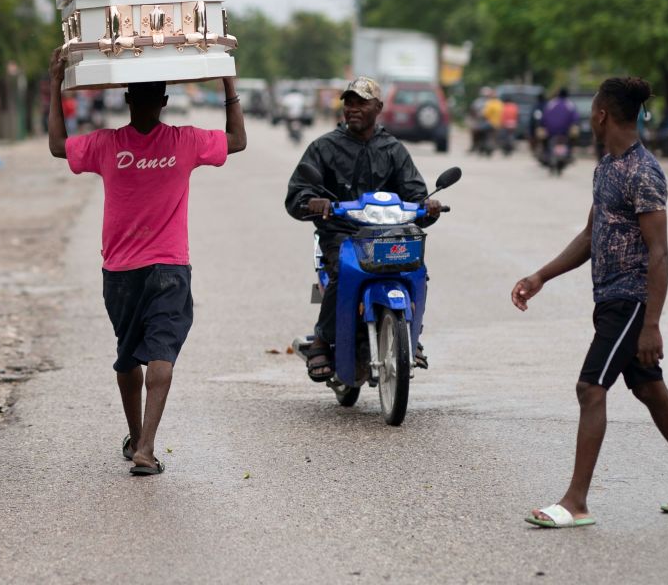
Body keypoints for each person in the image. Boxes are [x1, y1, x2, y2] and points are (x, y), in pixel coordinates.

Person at [511, 77, 668, 528]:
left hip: (631, 300)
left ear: (603, 115)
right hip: (609, 298)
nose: (590, 117)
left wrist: (652, 323)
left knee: (590, 388)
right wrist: (540, 276)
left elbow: (660, 252)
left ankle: (576, 501)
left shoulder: (643, 171)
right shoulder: (607, 167)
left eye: (592, 110)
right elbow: (592, 235)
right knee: (647, 387)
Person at [46, 49, 246, 476]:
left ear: (127, 99)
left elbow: (57, 147)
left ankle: (137, 437)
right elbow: (238, 141)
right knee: (162, 352)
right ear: (164, 102)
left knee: (128, 355)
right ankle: (144, 448)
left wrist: (54, 84)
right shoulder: (186, 141)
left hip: (119, 272)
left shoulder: (105, 144)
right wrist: (229, 83)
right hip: (170, 269)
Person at [285, 76, 443, 381]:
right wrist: (312, 201)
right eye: (349, 103)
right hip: (341, 233)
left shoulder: (393, 149)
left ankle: (412, 335)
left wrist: (427, 206)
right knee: (341, 272)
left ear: (379, 107)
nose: (353, 109)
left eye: (361, 103)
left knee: (418, 271)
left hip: (388, 234)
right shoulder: (324, 147)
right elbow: (297, 194)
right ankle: (321, 340)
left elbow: (415, 193)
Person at [541, 87, 580, 151]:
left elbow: (544, 117)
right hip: (565, 131)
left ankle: (545, 149)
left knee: (541, 135)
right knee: (575, 132)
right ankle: (571, 149)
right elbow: (575, 119)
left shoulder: (551, 103)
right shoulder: (570, 104)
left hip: (551, 131)